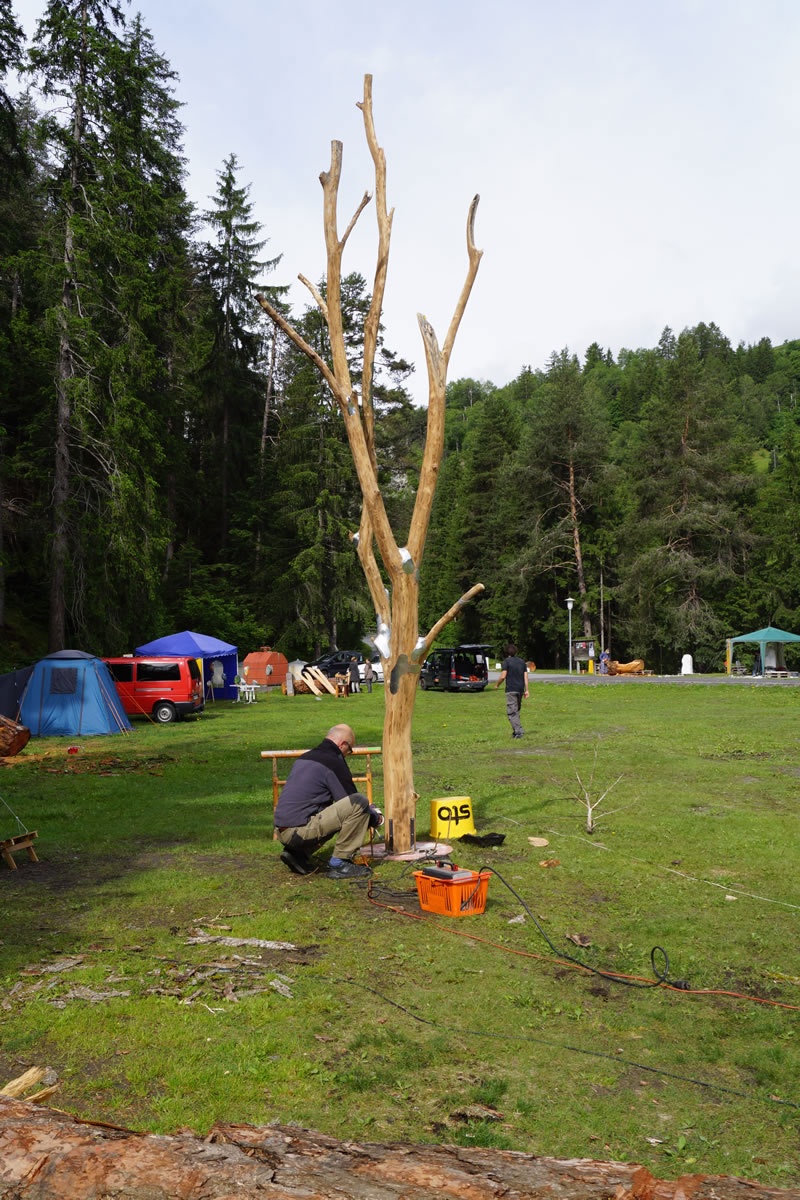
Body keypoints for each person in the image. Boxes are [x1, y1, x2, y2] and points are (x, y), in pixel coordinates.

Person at [273, 723, 382, 879]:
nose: (348, 754)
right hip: (298, 832)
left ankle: (297, 854)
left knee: (331, 813)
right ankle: (340, 863)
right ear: (342, 744)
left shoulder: (306, 757)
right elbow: (353, 804)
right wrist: (375, 817)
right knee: (360, 801)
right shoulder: (333, 761)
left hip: (282, 830)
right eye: (349, 749)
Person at [495, 643, 529, 739]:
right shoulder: (522, 662)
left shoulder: (506, 662)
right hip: (520, 689)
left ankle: (518, 732)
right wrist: (527, 690)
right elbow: (525, 677)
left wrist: (497, 685)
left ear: (506, 652)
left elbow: (503, 676)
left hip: (511, 690)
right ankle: (516, 731)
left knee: (512, 712)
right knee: (516, 710)